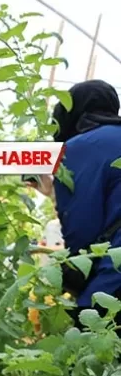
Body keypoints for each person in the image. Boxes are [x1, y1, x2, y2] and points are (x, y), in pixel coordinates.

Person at [34, 79, 121, 328]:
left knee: (90, 348)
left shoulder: (78, 148)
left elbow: (82, 232)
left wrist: (54, 194)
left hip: (115, 274)